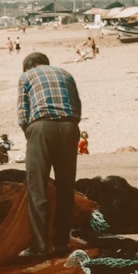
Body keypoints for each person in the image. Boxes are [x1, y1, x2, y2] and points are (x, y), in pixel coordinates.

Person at [17, 51, 82, 259]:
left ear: (29, 66)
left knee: (38, 189)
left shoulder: (26, 76)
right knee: (65, 187)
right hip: (70, 126)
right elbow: (77, 105)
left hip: (42, 127)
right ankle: (61, 243)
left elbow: (22, 112)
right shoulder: (66, 73)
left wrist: (32, 133)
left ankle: (40, 246)